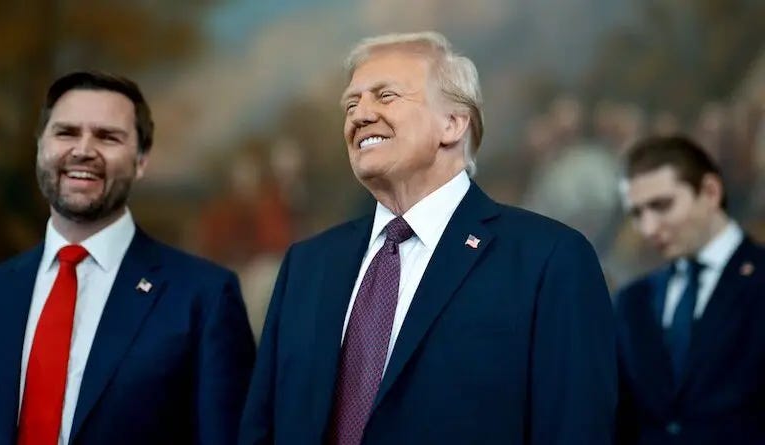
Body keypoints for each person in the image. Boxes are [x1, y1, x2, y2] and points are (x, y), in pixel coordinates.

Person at [239, 31, 616, 445]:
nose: (359, 115)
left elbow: (577, 428)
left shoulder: (548, 260)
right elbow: (263, 427)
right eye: (351, 103)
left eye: (385, 96)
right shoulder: (307, 265)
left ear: (452, 124)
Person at [0, 71, 255, 445]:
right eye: (66, 132)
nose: (83, 149)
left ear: (141, 160)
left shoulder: (205, 298)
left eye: (107, 136)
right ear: (40, 147)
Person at [615, 135, 765, 444]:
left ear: (710, 191)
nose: (649, 228)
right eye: (638, 214)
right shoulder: (633, 301)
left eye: (661, 205)